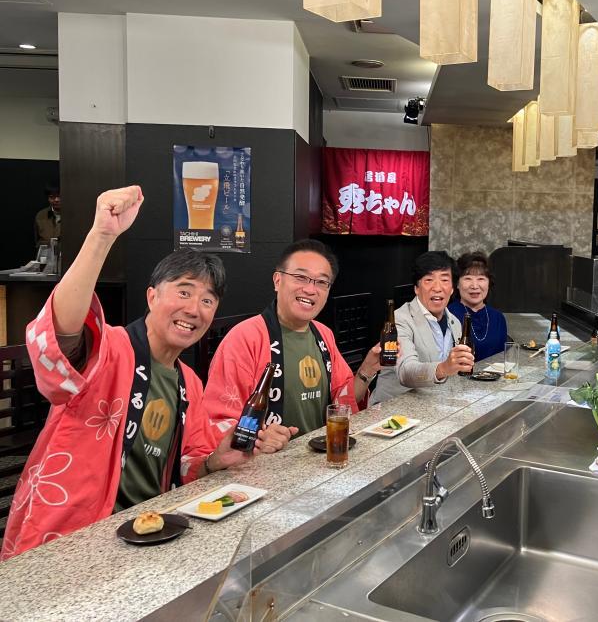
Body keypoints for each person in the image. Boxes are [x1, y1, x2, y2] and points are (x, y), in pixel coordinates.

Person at [1, 186, 293, 561]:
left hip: (150, 537)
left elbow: (188, 463)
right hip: (68, 539)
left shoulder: (188, 381)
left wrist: (215, 460)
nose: (195, 309)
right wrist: (102, 236)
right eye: (184, 292)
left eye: (208, 300)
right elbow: (61, 332)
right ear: (152, 296)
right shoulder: (109, 349)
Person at [199, 240, 381, 440]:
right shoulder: (245, 338)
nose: (310, 290)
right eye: (301, 277)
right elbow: (219, 418)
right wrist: (260, 437)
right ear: (277, 281)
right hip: (265, 465)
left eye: (321, 282)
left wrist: (367, 370)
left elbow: (341, 405)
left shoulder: (323, 334)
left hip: (322, 458)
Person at [370, 251, 474, 404]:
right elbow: (406, 372)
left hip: (433, 404)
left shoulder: (455, 322)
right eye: (429, 280)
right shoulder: (399, 320)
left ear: (452, 289)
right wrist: (444, 368)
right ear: (416, 288)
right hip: (392, 409)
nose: (437, 288)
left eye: (445, 280)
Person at [448, 252, 508, 361]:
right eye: (468, 278)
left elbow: (502, 359)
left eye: (481, 279)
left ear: (489, 283)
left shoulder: (498, 317)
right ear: (457, 284)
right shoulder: (447, 315)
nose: (475, 286)